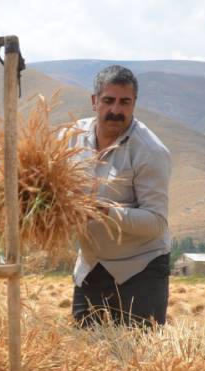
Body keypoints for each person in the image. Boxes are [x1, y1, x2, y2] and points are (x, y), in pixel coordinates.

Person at [67, 66, 171, 328]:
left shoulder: (149, 151)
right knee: (85, 359)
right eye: (108, 100)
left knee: (138, 362)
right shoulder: (71, 138)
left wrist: (104, 212)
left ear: (135, 103)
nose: (116, 110)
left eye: (125, 102)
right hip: (91, 267)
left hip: (140, 270)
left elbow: (157, 222)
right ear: (94, 101)